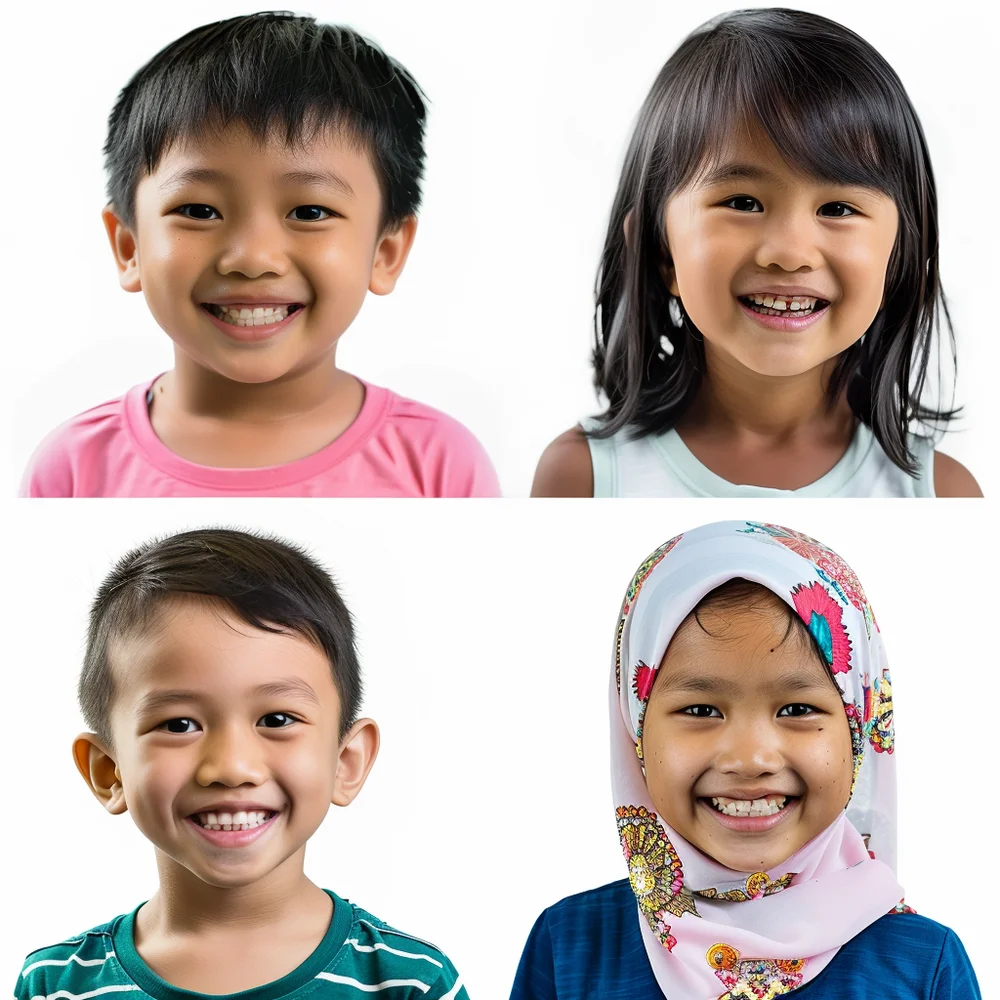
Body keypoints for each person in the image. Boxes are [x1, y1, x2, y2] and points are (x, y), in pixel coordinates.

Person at [20, 12, 500, 497]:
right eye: (199, 210)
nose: (252, 258)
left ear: (386, 251)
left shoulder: (439, 463)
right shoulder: (72, 469)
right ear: (130, 248)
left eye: (310, 211)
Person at [509, 520, 980, 998]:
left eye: (797, 709)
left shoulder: (924, 965)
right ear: (634, 730)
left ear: (858, 729)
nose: (750, 759)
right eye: (700, 710)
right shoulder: (568, 948)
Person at [531, 9, 981, 498]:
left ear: (899, 256)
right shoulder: (582, 479)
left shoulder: (943, 496)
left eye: (837, 207)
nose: (789, 254)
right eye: (743, 203)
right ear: (660, 248)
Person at [15, 528, 469, 999]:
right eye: (178, 725)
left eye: (276, 719)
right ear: (109, 772)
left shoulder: (409, 982)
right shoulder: (55, 984)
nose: (231, 767)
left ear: (346, 762)